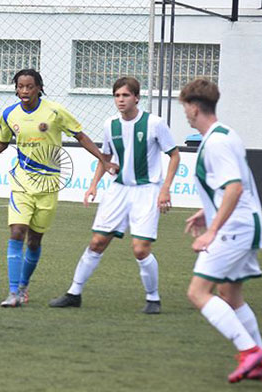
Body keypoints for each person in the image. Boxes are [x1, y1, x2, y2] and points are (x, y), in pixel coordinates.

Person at [0, 69, 117, 307]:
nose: (24, 91)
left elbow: (80, 136)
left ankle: (24, 286)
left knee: (34, 241)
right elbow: (1, 143)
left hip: (48, 185)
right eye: (20, 86)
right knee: (16, 232)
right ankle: (13, 293)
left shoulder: (54, 112)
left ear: (38, 88)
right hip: (21, 182)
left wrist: (103, 159)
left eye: (29, 87)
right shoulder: (9, 114)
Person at [49, 77, 180, 314]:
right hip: (118, 190)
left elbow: (175, 155)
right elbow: (105, 158)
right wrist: (93, 186)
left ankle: (153, 298)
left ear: (137, 98)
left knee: (140, 249)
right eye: (117, 96)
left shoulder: (155, 123)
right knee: (97, 242)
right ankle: (74, 293)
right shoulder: (110, 124)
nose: (120, 100)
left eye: (125, 95)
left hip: (147, 190)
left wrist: (165, 188)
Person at [180, 79, 262, 382]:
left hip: (235, 228)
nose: (185, 113)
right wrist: (206, 212)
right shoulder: (226, 133)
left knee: (198, 292)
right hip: (244, 223)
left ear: (194, 107)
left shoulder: (216, 142)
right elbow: (233, 187)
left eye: (184, 107)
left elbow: (233, 187)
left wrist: (212, 229)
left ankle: (250, 352)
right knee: (230, 295)